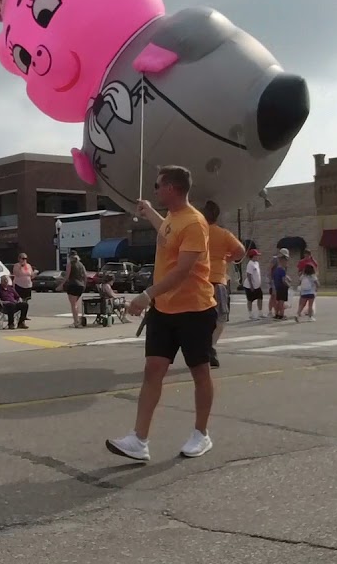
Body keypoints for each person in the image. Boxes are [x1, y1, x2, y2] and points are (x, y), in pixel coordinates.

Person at [106, 165, 217, 462]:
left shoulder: (194, 222)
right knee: (153, 369)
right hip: (165, 310)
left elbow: (183, 271)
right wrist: (150, 213)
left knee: (200, 372)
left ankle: (201, 434)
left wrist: (147, 295)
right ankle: (138, 440)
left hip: (194, 309)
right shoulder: (172, 218)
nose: (154, 190)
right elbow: (168, 234)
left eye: (157, 186)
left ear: (171, 188)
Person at [201, 201, 244, 368]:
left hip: (200, 280)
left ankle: (202, 347)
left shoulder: (199, 232)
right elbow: (240, 251)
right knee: (220, 317)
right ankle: (210, 346)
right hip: (218, 280)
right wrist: (229, 258)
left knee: (200, 317)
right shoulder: (223, 234)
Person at [61, 252, 88, 327]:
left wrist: (61, 284)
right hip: (81, 286)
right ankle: (77, 320)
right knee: (76, 303)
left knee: (73, 305)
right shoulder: (81, 265)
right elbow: (85, 275)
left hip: (73, 285)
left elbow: (67, 276)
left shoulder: (70, 264)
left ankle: (76, 322)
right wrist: (85, 285)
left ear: (70, 257)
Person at [12, 254, 35, 325]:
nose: (24, 260)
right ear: (19, 259)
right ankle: (19, 314)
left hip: (27, 285)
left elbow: (31, 275)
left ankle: (24, 315)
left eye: (25, 258)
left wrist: (33, 274)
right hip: (19, 285)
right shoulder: (16, 265)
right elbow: (16, 274)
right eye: (23, 258)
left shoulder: (28, 266)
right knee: (19, 300)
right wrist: (21, 267)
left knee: (26, 300)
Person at [271, 254, 290, 320]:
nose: (286, 263)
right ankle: (281, 314)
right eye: (286, 261)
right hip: (282, 287)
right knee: (281, 302)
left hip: (277, 287)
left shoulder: (276, 270)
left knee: (278, 301)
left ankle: (277, 314)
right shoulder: (282, 270)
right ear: (283, 261)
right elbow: (283, 280)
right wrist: (288, 285)